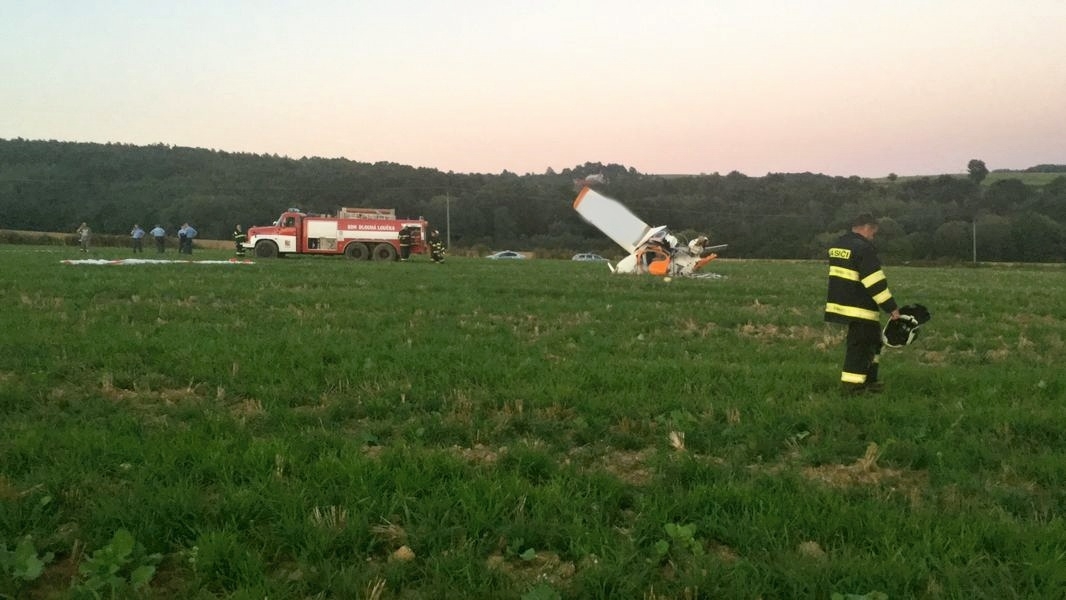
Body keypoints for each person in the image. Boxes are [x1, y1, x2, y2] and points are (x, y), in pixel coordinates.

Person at [825, 213, 901, 394]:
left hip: (840, 305)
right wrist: (891, 308)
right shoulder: (864, 249)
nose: (873, 237)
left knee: (874, 343)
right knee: (860, 348)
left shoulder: (838, 245)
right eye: (873, 233)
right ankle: (853, 388)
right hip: (860, 308)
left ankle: (871, 381)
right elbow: (874, 282)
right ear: (867, 227)